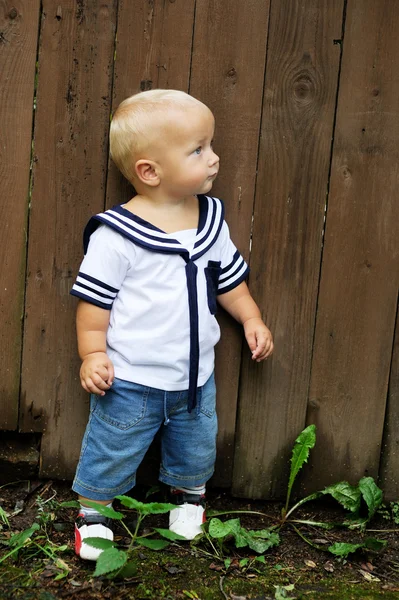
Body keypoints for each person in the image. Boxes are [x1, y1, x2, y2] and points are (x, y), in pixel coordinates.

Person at [70, 89, 273, 560]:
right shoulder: (117, 236)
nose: (215, 158)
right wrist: (92, 352)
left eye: (211, 145)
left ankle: (189, 496)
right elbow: (93, 304)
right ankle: (94, 511)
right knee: (112, 448)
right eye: (198, 149)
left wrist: (251, 318)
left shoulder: (210, 220)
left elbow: (229, 281)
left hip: (195, 377)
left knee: (196, 446)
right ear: (150, 171)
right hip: (131, 379)